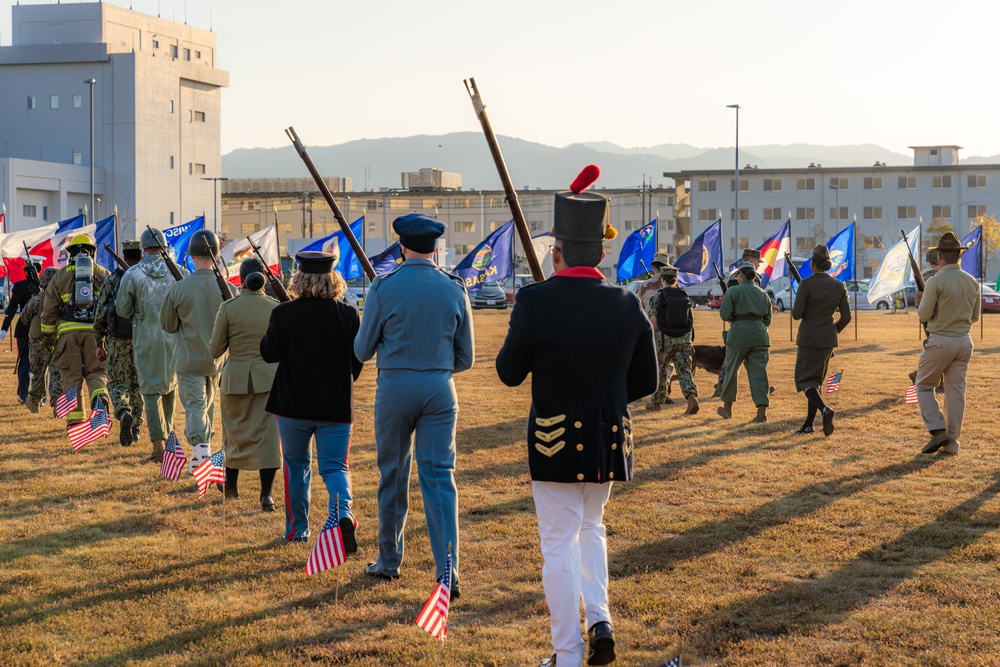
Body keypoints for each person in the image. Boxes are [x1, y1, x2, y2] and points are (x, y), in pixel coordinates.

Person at [497, 173, 658, 667]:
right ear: (601, 255)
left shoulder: (534, 300)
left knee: (558, 548)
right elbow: (646, 381)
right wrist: (605, 400)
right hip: (610, 438)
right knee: (592, 528)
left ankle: (567, 654)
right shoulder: (626, 301)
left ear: (557, 251)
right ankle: (601, 620)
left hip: (554, 443)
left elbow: (507, 372)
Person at [354, 213, 474, 597]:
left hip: (395, 387)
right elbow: (466, 357)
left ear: (402, 247)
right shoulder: (454, 288)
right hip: (440, 386)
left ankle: (389, 561)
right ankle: (448, 572)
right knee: (440, 479)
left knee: (393, 473)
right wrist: (436, 366)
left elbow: (361, 349)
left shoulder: (383, 286)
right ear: (436, 248)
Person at [261, 250, 363, 540]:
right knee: (335, 467)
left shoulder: (283, 313)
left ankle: (297, 530)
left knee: (296, 467)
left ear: (299, 277)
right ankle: (344, 512)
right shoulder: (349, 314)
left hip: (293, 405)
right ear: (334, 279)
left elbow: (269, 354)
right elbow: (356, 363)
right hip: (336, 407)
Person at [211, 258, 282, 512]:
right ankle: (266, 495)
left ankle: (231, 488)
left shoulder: (228, 307)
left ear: (240, 280)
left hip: (236, 379)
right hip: (268, 380)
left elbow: (215, 349)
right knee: (270, 438)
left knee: (234, 435)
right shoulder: (275, 307)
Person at [159, 229, 225, 472]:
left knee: (196, 406)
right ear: (216, 255)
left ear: (191, 256)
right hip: (217, 360)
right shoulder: (229, 288)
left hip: (188, 359)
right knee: (207, 406)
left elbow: (167, 325)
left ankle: (201, 453)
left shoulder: (179, 288)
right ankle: (202, 449)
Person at [117, 227, 184, 462]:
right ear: (164, 248)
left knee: (150, 391)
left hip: (145, 338)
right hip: (174, 338)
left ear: (143, 250)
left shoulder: (133, 274)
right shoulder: (179, 272)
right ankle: (168, 439)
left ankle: (158, 447)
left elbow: (122, 309)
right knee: (170, 388)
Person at [915, 232, 980, 456]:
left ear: (940, 255)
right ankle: (952, 442)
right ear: (959, 257)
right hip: (964, 341)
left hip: (941, 340)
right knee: (955, 392)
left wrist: (921, 301)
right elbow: (975, 316)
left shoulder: (935, 281)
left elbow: (924, 314)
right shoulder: (972, 282)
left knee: (923, 385)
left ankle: (937, 430)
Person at [40, 234, 111, 425]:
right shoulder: (103, 274)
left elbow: (48, 311)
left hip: (67, 336)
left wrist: (47, 336)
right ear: (92, 252)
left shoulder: (59, 276)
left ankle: (75, 423)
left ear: (70, 252)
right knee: (96, 372)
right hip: (95, 336)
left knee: (71, 376)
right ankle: (99, 397)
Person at [790, 245, 851, 436]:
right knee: (815, 382)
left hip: (809, 338)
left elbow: (796, 314)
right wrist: (832, 331)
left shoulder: (806, 284)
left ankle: (825, 409)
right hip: (827, 339)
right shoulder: (839, 286)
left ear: (813, 264)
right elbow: (846, 317)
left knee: (804, 380)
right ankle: (808, 424)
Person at [94, 240, 144, 446]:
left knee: (116, 382)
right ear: (141, 255)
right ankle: (136, 428)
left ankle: (123, 411)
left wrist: (99, 341)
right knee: (137, 384)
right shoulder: (144, 278)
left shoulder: (111, 280)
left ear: (124, 255)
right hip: (142, 339)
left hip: (117, 340)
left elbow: (100, 314)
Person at [717, 261, 772, 422]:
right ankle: (761, 412)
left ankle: (727, 409)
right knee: (759, 374)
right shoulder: (763, 293)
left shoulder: (733, 291)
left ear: (741, 274)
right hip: (760, 336)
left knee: (731, 372)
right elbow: (768, 319)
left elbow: (725, 315)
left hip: (738, 336)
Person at [646, 263, 699, 414]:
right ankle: (691, 398)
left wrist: (649, 338)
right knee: (684, 370)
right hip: (683, 339)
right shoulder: (684, 294)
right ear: (675, 279)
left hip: (664, 340)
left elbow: (653, 320)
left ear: (662, 279)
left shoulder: (657, 296)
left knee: (661, 370)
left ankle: (656, 403)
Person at [635, 252, 675, 404]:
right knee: (667, 362)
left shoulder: (644, 285)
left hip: (649, 328)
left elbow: (636, 306)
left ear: (653, 267)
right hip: (670, 330)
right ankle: (664, 390)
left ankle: (652, 391)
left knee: (649, 361)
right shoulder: (673, 285)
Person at [2, 258, 43, 404]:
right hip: (42, 329)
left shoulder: (19, 286)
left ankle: (23, 395)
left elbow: (12, 308)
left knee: (24, 362)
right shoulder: (45, 286)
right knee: (41, 363)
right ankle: (40, 396)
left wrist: (4, 328)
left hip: (24, 329)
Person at [22, 268, 61, 413]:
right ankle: (58, 406)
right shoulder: (61, 300)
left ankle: (34, 403)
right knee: (57, 376)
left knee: (38, 375)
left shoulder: (36, 300)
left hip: (38, 343)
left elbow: (24, 318)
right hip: (57, 342)